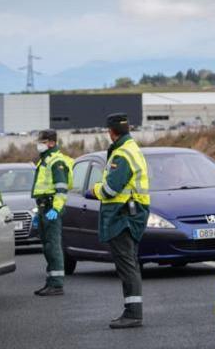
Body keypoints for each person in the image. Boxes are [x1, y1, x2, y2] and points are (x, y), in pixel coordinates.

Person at [85, 113, 150, 329]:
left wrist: (94, 190)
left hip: (123, 216)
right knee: (129, 264)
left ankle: (133, 313)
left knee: (127, 265)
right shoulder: (131, 149)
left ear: (111, 132)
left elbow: (110, 189)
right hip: (131, 214)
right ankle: (132, 311)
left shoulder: (122, 154)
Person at [31, 129, 73, 297]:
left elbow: (61, 189)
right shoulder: (45, 160)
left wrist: (56, 209)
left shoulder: (56, 161)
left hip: (50, 207)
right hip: (44, 207)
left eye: (42, 141)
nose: (39, 144)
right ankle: (50, 282)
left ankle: (56, 284)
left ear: (52, 143)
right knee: (47, 246)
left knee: (53, 245)